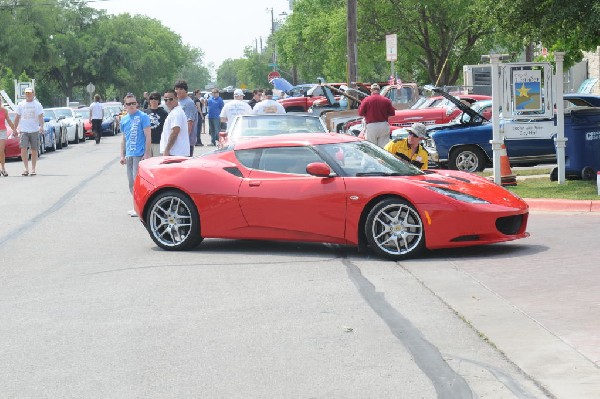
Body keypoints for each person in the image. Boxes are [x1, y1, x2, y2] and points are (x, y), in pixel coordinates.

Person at [119, 93, 151, 217]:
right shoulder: (124, 119)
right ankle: (136, 206)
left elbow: (148, 136)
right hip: (129, 155)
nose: (131, 106)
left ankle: (140, 207)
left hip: (139, 154)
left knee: (138, 182)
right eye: (128, 104)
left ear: (137, 103)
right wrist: (122, 155)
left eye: (133, 103)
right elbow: (124, 138)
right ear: (125, 105)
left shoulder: (143, 117)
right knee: (131, 182)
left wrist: (146, 153)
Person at [13, 87, 44, 176]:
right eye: (26, 93)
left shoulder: (37, 105)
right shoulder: (21, 105)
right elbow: (17, 117)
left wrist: (41, 126)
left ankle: (33, 169)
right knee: (23, 148)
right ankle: (26, 168)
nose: (28, 95)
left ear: (33, 94)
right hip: (23, 130)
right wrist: (15, 129)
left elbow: (40, 117)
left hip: (34, 130)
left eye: (30, 93)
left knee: (34, 150)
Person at [358, 83, 395, 147]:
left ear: (371, 90)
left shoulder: (366, 100)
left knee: (372, 149)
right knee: (384, 149)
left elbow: (360, 113)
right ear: (379, 90)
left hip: (371, 126)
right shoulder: (386, 100)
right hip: (384, 125)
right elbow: (392, 114)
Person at [160, 89, 190, 157]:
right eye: (165, 99)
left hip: (175, 153)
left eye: (170, 99)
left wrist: (167, 150)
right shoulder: (174, 112)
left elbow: (175, 132)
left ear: (176, 98)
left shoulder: (176, 113)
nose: (168, 101)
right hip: (176, 153)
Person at [174, 80, 198, 155]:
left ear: (186, 90)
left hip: (186, 142)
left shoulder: (189, 103)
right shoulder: (178, 102)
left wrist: (184, 140)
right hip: (178, 140)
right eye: (177, 89)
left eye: (181, 89)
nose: (178, 91)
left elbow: (189, 123)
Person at [143, 91, 168, 157]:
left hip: (159, 142)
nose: (153, 100)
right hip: (146, 143)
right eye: (151, 98)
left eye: (156, 98)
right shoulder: (144, 113)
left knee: (157, 163)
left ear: (159, 100)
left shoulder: (164, 113)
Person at [0, 102, 16, 176]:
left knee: (1, 150)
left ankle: (3, 169)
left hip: (2, 131)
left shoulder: (4, 110)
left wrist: (14, 130)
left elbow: (9, 121)